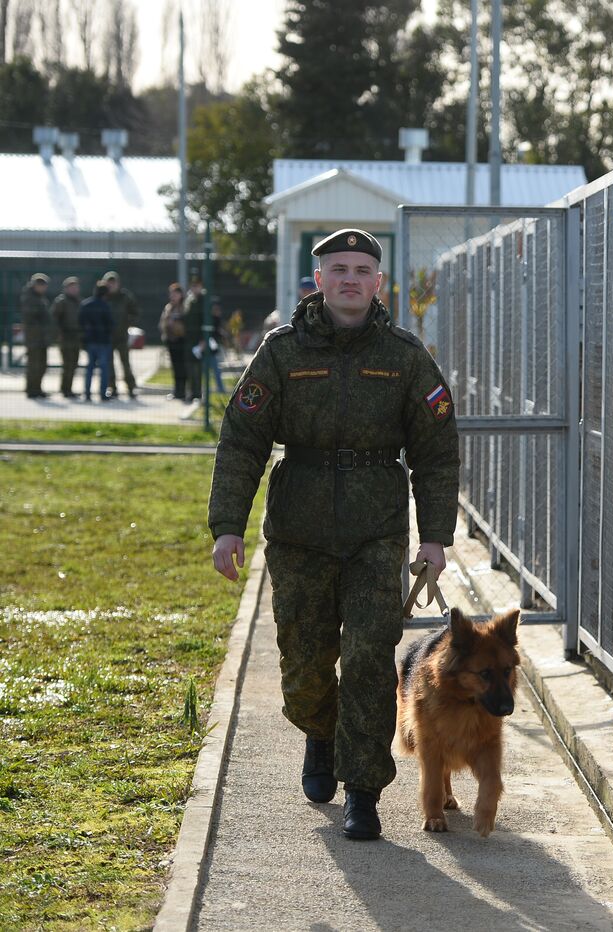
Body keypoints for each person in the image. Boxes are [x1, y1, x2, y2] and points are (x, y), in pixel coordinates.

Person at [207, 229, 459, 841]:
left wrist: (434, 536)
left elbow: (435, 450)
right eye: (338, 268)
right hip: (299, 530)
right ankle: (320, 733)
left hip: (376, 528)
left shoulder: (404, 356)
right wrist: (227, 526)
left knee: (371, 658)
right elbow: (242, 441)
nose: (351, 278)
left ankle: (363, 790)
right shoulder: (282, 352)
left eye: (362, 269)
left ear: (379, 282)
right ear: (318, 280)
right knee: (306, 665)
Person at [101, 271, 140, 399]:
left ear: (118, 283)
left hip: (122, 335)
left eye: (114, 282)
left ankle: (131, 388)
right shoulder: (102, 296)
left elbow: (135, 312)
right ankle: (112, 387)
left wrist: (127, 323)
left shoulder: (125, 296)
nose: (112, 285)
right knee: (109, 364)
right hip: (107, 336)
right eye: (109, 283)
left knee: (125, 363)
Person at [79, 280, 115, 403]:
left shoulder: (85, 305)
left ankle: (87, 393)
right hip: (103, 341)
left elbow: (80, 323)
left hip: (90, 341)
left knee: (89, 368)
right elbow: (110, 324)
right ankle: (102, 394)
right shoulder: (105, 306)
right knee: (104, 369)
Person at [51, 277, 83, 399]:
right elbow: (54, 319)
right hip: (66, 337)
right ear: (66, 288)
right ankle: (65, 389)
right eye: (71, 287)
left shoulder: (79, 302)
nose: (74, 289)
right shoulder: (61, 301)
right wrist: (58, 334)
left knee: (74, 364)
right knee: (67, 364)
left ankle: (68, 388)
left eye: (76, 287)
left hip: (76, 337)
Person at [20, 273, 50, 399]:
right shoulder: (29, 298)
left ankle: (37, 388)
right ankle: (31, 389)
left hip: (42, 337)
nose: (43, 287)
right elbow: (30, 318)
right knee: (34, 365)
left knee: (42, 365)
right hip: (33, 338)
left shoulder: (40, 298)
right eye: (40, 285)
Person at [159, 282, 189, 400]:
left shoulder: (185, 307)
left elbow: (186, 324)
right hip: (171, 341)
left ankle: (184, 391)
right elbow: (163, 323)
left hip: (182, 341)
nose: (172, 296)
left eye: (175, 294)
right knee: (175, 367)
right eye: (171, 294)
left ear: (180, 295)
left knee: (183, 367)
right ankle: (177, 391)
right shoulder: (168, 308)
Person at [184, 275, 206, 402]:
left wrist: (203, 340)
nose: (194, 288)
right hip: (189, 338)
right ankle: (191, 392)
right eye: (192, 285)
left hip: (199, 339)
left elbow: (206, 320)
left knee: (197, 368)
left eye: (196, 285)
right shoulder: (190, 300)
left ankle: (198, 393)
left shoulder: (204, 300)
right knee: (189, 367)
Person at [206, 298, 228, 394]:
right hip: (205, 347)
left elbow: (217, 331)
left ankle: (220, 388)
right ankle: (210, 390)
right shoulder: (208, 319)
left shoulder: (217, 319)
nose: (217, 311)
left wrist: (223, 335)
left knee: (216, 370)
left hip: (213, 348)